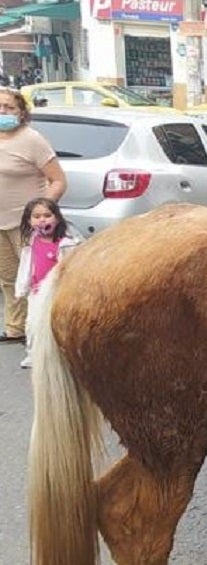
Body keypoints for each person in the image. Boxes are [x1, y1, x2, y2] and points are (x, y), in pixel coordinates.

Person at [0, 86, 65, 344]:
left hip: (25, 224)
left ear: (22, 112)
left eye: (9, 107)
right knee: (8, 277)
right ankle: (16, 328)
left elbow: (58, 181)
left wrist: (39, 213)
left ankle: (47, 330)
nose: (3, 112)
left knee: (38, 278)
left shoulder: (32, 140)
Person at [15, 197, 78, 368]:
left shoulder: (66, 244)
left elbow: (72, 269)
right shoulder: (31, 242)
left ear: (57, 218)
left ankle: (63, 355)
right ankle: (34, 354)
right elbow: (26, 266)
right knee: (33, 324)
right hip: (36, 292)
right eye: (36, 216)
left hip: (57, 293)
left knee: (58, 325)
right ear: (29, 221)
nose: (42, 220)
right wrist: (22, 287)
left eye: (47, 215)